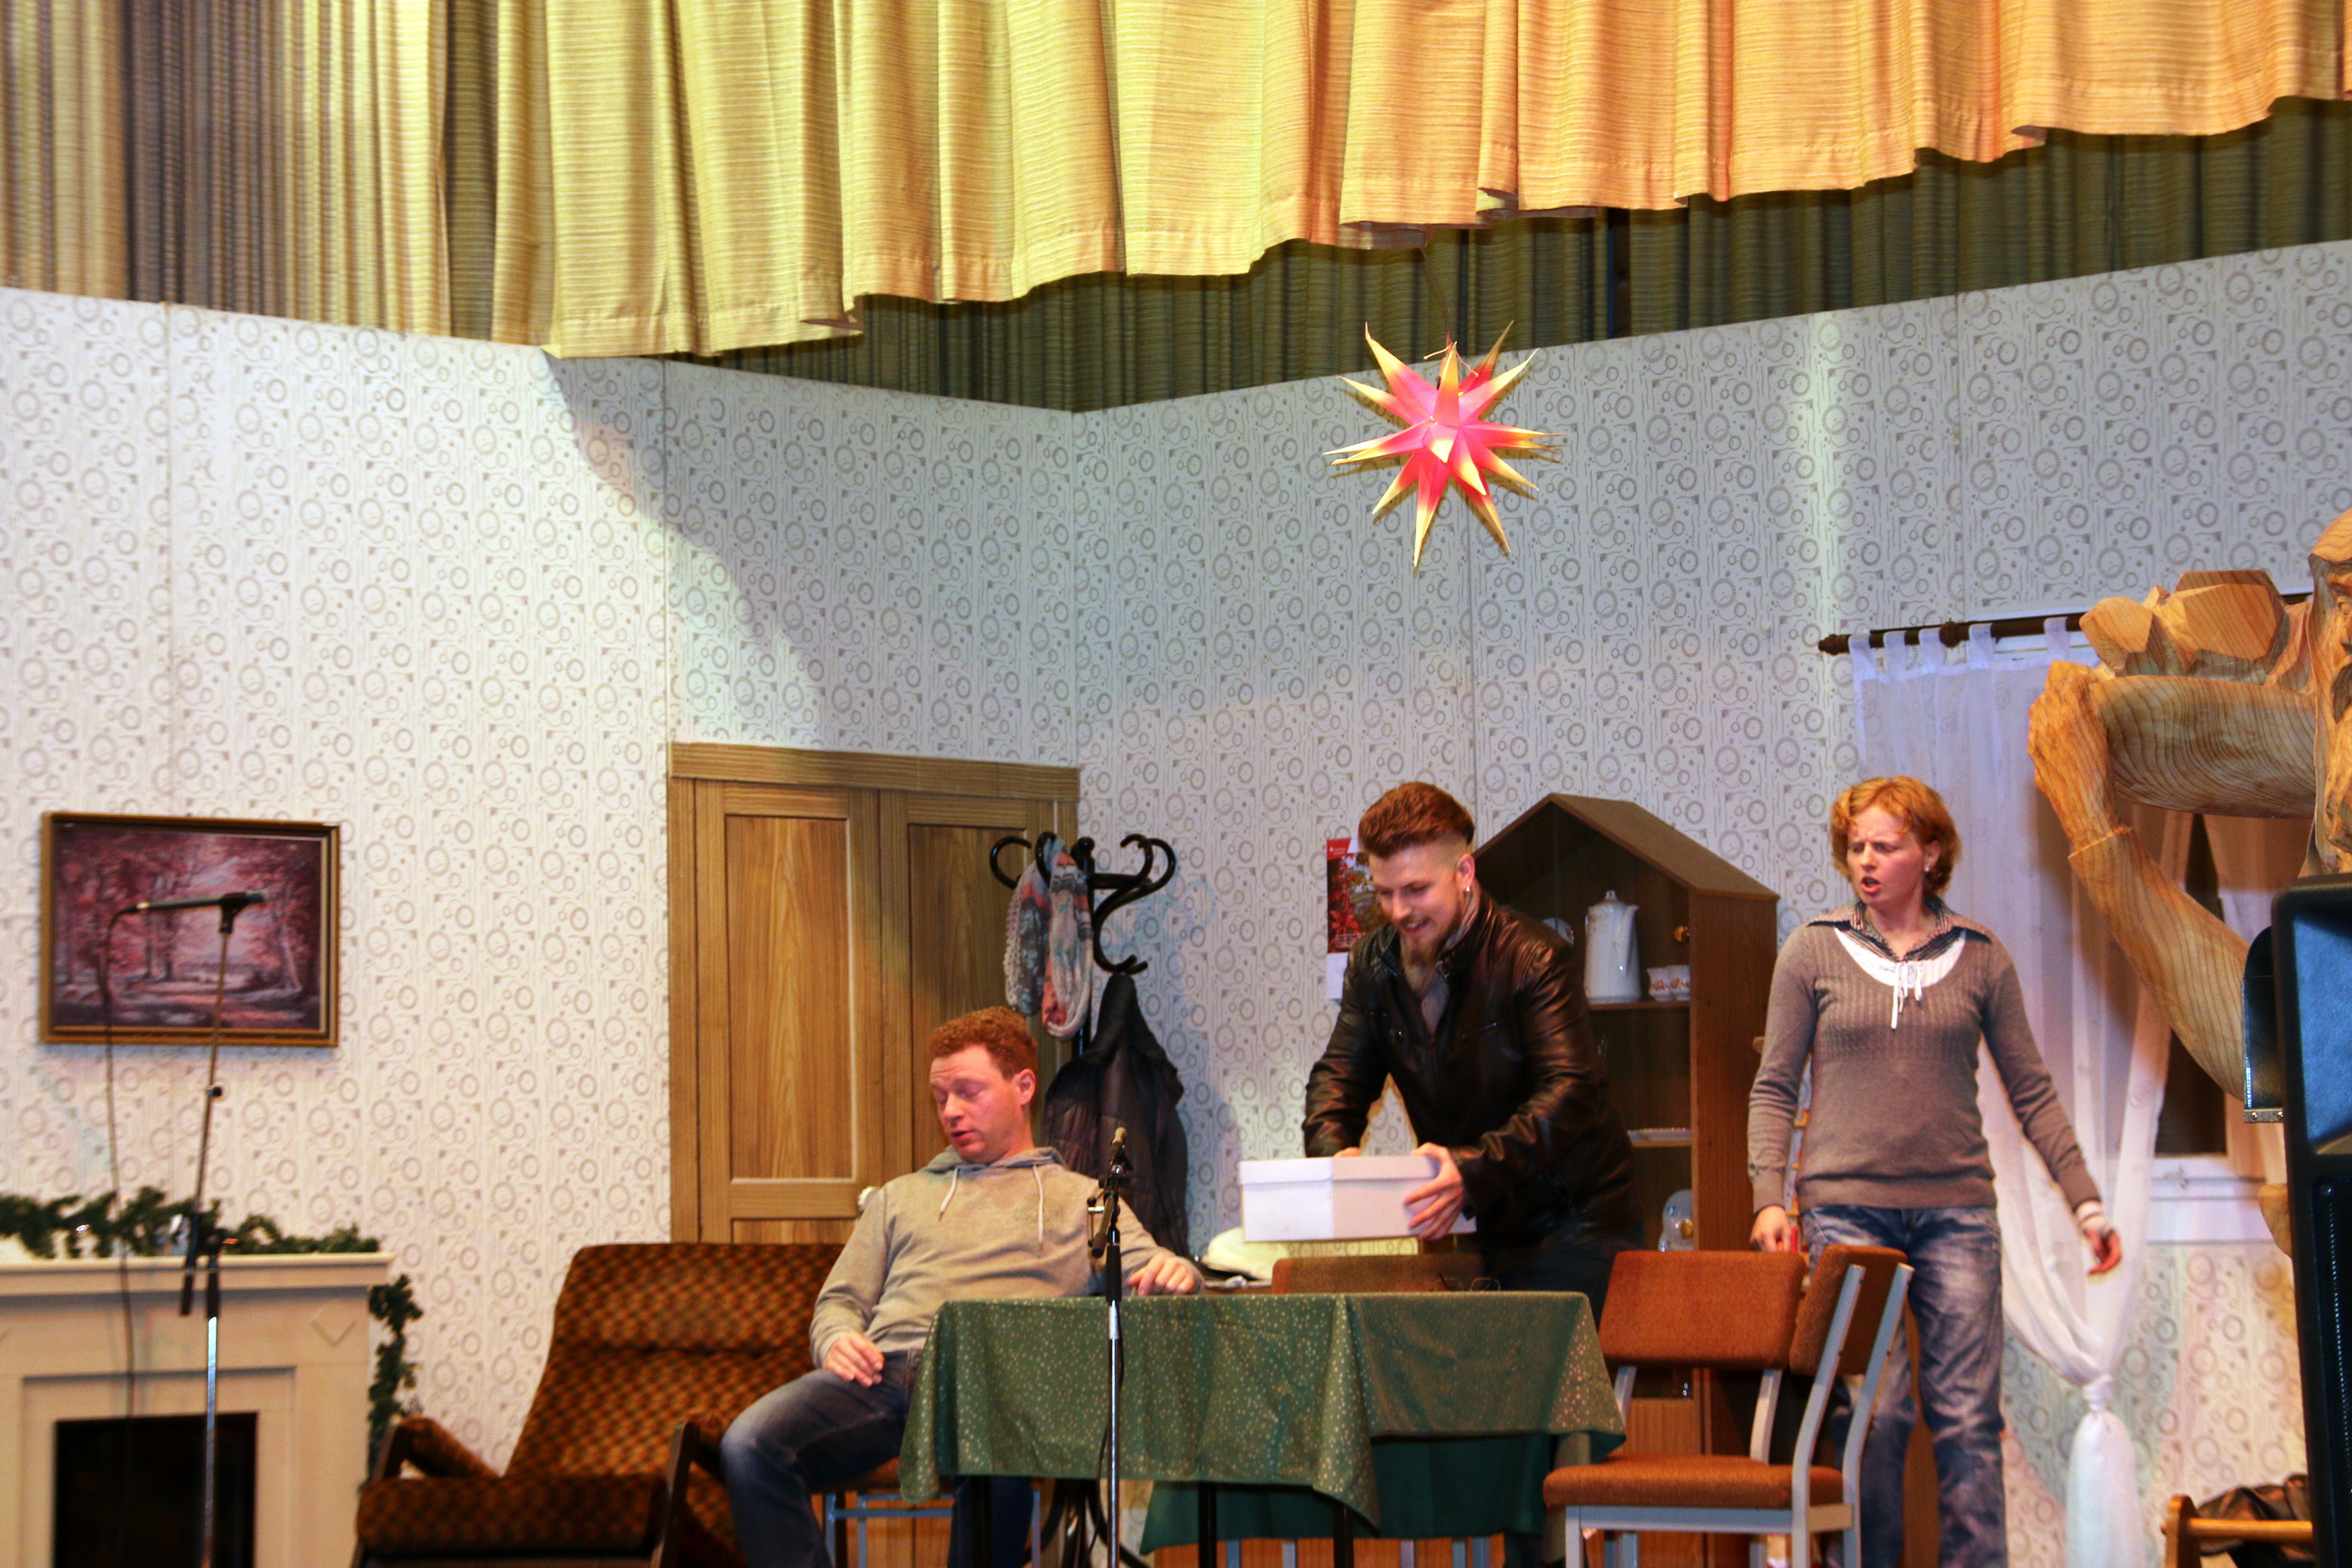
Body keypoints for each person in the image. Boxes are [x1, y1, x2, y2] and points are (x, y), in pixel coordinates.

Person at [1748, 776, 2123, 1568]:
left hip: (1958, 1213)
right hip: (1846, 1211)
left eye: (1884, 846)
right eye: (1855, 847)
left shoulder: (1980, 956)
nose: (1865, 861)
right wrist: (1767, 1199)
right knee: (1876, 1414)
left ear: (1930, 851)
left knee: (1967, 1421)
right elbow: (1775, 1086)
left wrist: (2086, 1204)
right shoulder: (1813, 948)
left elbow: (2032, 1091)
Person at [722, 1006, 1199, 1568]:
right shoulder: (899, 1197)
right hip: (885, 1377)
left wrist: (1177, 1273)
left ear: (1023, 1087)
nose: (950, 1111)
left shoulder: (1087, 1200)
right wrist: (836, 1338)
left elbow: (1151, 1267)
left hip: (999, 1385)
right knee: (749, 1445)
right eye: (940, 1097)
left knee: (998, 1446)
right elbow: (840, 1301)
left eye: (968, 1092)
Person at [1303, 781, 1640, 1307]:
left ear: (1464, 873)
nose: (1398, 911)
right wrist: (1335, 1158)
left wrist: (1472, 1169)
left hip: (1573, 1230)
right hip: (1467, 1227)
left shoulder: (1534, 958)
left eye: (1416, 889)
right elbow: (1338, 1077)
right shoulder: (1373, 962)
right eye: (1384, 893)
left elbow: (1572, 1091)